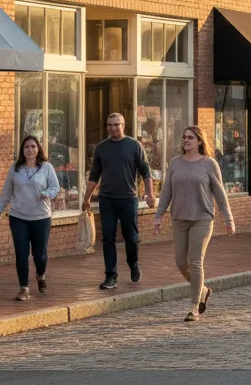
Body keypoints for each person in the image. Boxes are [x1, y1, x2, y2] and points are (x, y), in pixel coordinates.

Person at [152, 125, 235, 322]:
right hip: (179, 218)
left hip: (202, 218)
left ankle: (194, 306)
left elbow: (220, 192)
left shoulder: (209, 164)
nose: (186, 140)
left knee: (195, 261)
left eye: (190, 137)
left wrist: (228, 217)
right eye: (184, 137)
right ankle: (203, 290)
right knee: (181, 262)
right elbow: (166, 193)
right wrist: (158, 215)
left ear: (199, 141)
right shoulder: (175, 163)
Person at [82, 113, 154, 290]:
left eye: (116, 125)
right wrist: (86, 197)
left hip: (128, 198)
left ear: (124, 125)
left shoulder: (134, 146)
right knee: (108, 238)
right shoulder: (101, 148)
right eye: (109, 125)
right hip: (107, 199)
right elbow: (94, 175)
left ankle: (133, 263)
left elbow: (145, 171)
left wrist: (150, 194)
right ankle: (111, 275)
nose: (112, 128)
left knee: (132, 238)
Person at [0, 135, 60, 301]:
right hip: (18, 217)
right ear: (22, 151)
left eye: (33, 146)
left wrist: (47, 194)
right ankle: (24, 287)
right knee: (22, 254)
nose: (30, 150)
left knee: (40, 256)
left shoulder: (46, 167)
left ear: (38, 149)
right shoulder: (15, 169)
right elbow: (6, 193)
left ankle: (40, 274)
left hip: (41, 217)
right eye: (26, 147)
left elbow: (55, 187)